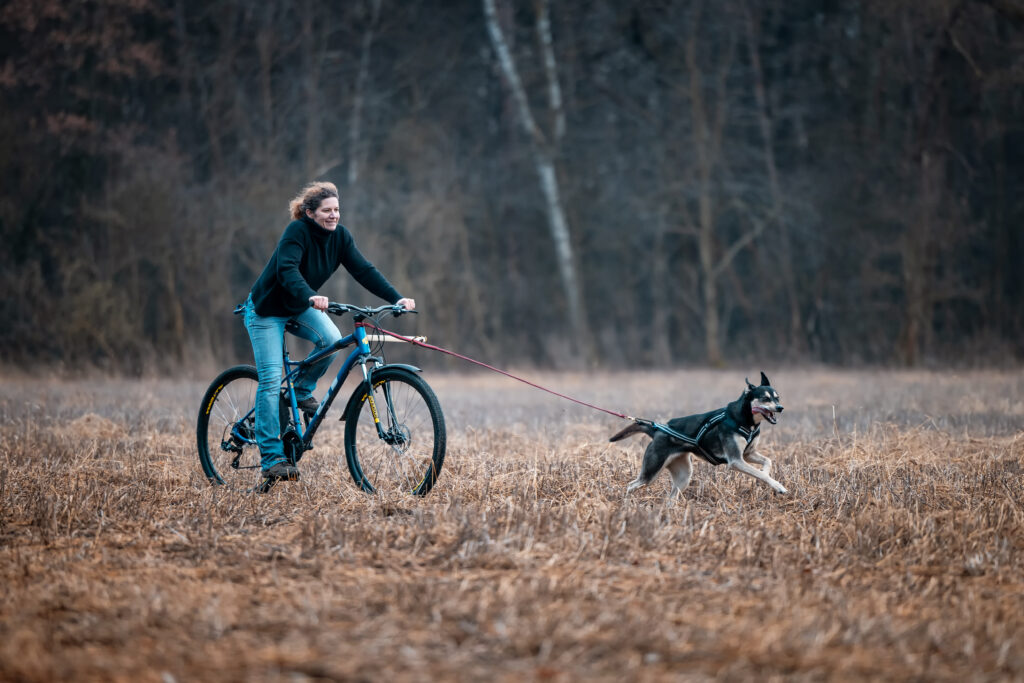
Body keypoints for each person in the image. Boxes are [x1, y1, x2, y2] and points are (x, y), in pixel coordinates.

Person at [243, 181, 415, 482]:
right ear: (310, 213)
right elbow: (287, 271)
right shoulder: (296, 232)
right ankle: (272, 459)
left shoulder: (341, 238)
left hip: (299, 304)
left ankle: (299, 390)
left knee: (332, 340)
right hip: (266, 311)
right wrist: (311, 295)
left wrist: (396, 298)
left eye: (336, 210)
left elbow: (364, 270)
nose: (333, 215)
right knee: (270, 381)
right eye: (326, 211)